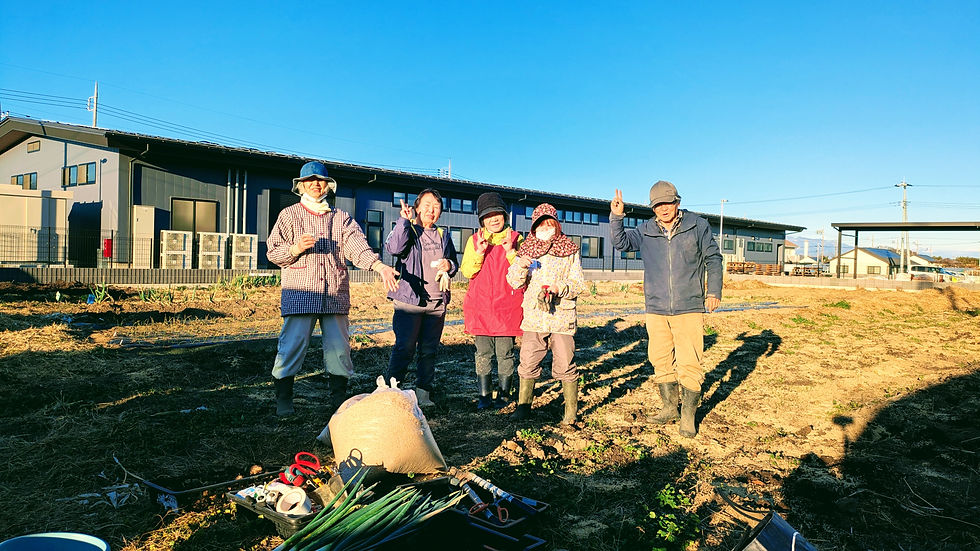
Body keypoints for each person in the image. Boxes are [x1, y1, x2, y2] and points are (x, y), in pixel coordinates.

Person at [267, 161, 399, 417]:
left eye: (321, 180)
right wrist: (294, 249)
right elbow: (273, 251)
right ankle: (284, 400)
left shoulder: (340, 218)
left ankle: (339, 402)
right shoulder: (289, 215)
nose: (316, 184)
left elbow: (357, 247)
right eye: (310, 180)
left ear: (329, 185)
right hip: (300, 292)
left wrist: (379, 266)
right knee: (291, 345)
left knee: (340, 349)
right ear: (301, 185)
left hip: (334, 293)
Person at [609, 181, 722, 437]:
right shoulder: (645, 230)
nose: (663, 208)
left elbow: (713, 259)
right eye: (657, 205)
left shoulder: (697, 225)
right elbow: (621, 243)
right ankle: (670, 407)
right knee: (660, 358)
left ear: (677, 202)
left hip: (689, 305)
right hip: (656, 306)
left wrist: (714, 290)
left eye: (667, 203)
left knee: (690, 361)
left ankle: (688, 416)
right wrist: (617, 217)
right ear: (653, 207)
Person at [506, 203, 587, 425]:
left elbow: (579, 283)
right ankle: (523, 408)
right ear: (534, 227)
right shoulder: (527, 249)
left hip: (561, 316)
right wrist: (520, 265)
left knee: (565, 363)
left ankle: (570, 413)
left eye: (550, 223)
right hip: (534, 316)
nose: (546, 228)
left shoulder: (570, 249)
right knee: (529, 360)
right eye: (541, 224)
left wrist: (560, 288)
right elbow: (513, 281)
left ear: (557, 225)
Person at [383, 188, 459, 407]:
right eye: (426, 205)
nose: (431, 210)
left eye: (436, 206)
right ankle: (391, 392)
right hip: (409, 301)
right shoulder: (408, 230)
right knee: (405, 347)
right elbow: (394, 248)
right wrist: (403, 222)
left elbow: (453, 263)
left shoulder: (443, 235)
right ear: (416, 208)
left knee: (429, 351)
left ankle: (423, 394)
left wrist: (450, 265)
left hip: (436, 303)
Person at [461, 192, 524, 410]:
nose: (494, 219)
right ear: (482, 220)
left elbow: (523, 274)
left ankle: (504, 394)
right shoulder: (474, 240)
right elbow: (467, 271)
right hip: (481, 307)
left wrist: (511, 252)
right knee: (483, 354)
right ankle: (484, 395)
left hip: (508, 307)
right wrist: (479, 252)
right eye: (488, 215)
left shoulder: (517, 238)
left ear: (505, 216)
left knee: (505, 354)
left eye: (498, 213)